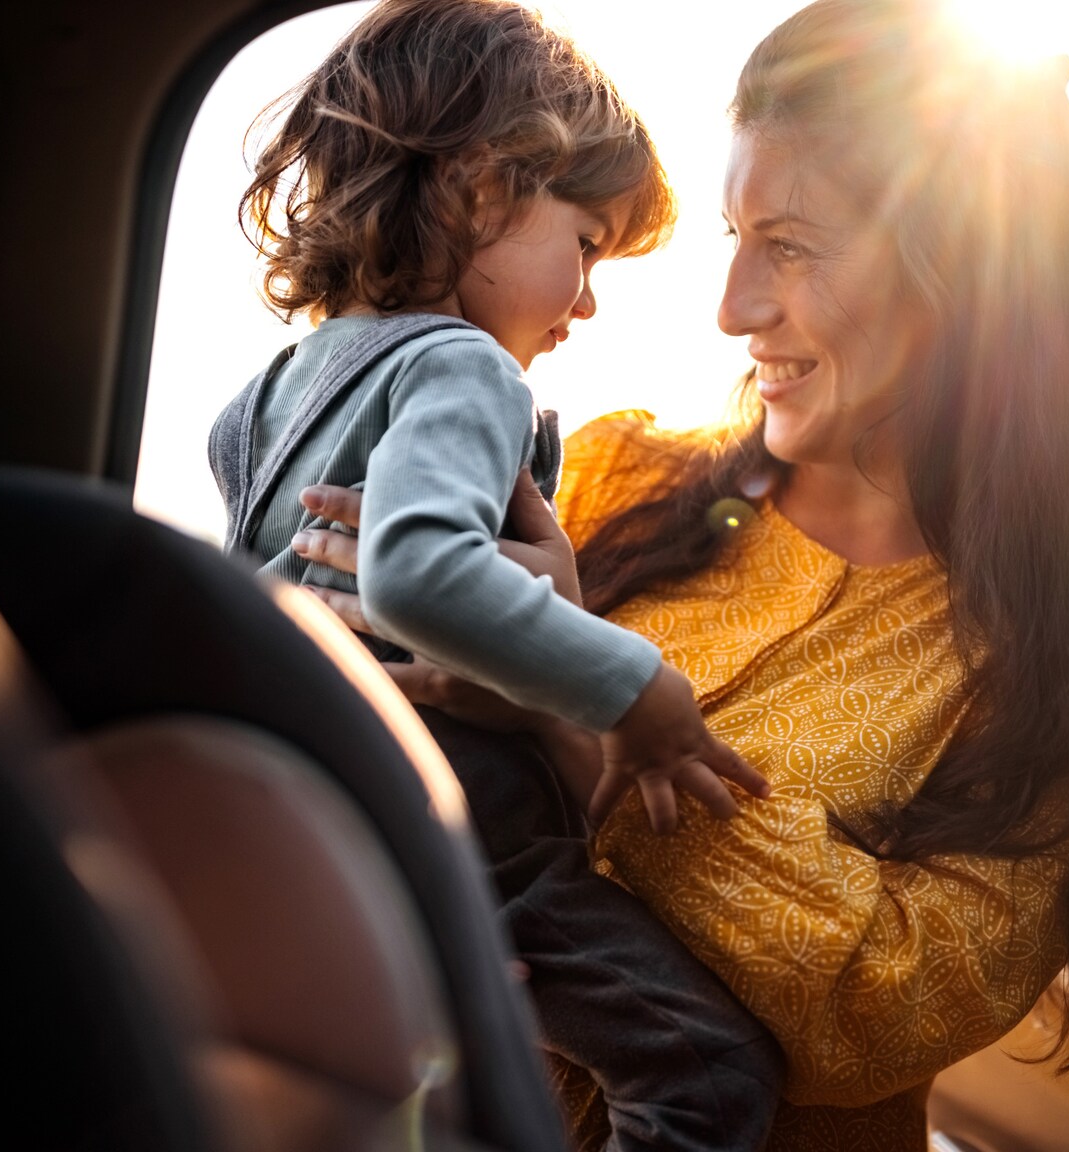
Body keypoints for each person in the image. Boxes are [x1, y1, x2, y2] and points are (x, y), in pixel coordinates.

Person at [293, 0, 1069, 1148]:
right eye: (733, 238)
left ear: (977, 278)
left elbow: (880, 1013)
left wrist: (575, 717)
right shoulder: (607, 479)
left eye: (788, 244)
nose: (733, 307)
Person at [208, 3, 785, 1149]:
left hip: (331, 825)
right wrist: (637, 692)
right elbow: (421, 576)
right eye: (585, 244)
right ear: (482, 188)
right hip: (478, 836)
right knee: (712, 1077)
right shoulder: (464, 367)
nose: (584, 301)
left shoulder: (262, 399)